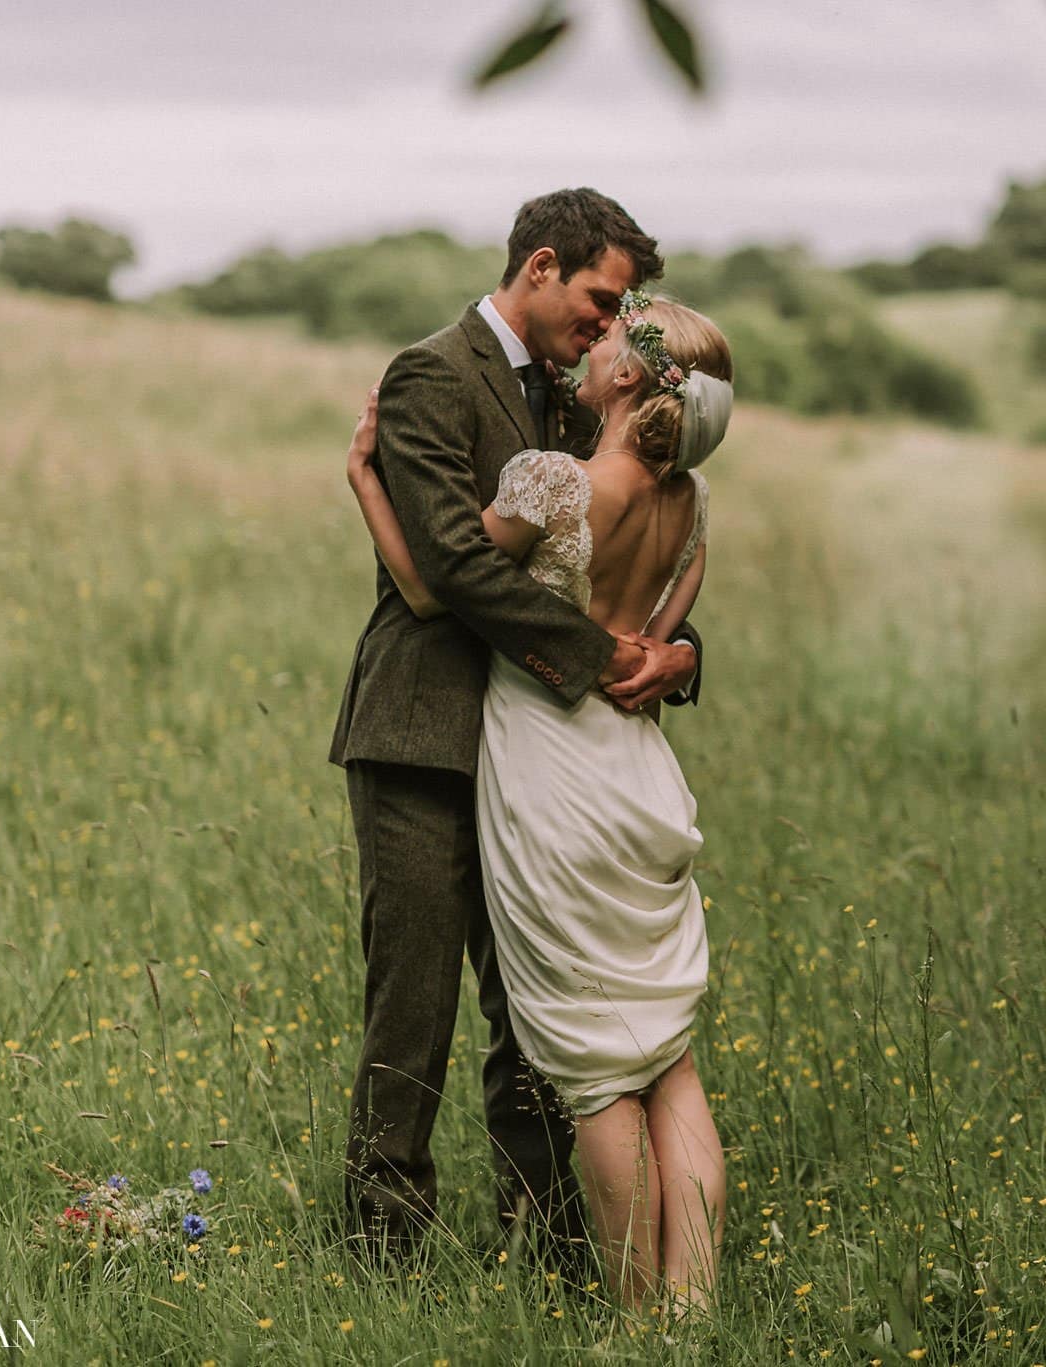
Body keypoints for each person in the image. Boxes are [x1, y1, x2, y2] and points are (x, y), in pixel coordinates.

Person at [326, 188, 702, 1273]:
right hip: (422, 732)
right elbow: (451, 560)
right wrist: (602, 659)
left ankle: (547, 1244)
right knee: (413, 1000)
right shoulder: (430, 375)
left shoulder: (583, 398)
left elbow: (618, 536)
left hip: (539, 749)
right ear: (540, 266)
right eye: (598, 298)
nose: (607, 325)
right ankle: (383, 1258)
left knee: (536, 1002)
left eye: (621, 310)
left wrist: (674, 654)